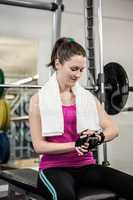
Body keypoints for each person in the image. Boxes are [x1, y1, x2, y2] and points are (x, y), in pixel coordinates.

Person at [29, 37, 133, 200]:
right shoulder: (38, 100)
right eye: (74, 68)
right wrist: (74, 145)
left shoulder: (87, 98)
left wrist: (98, 137)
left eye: (81, 70)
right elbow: (39, 146)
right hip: (54, 168)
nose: (78, 75)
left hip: (86, 166)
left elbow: (113, 129)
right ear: (58, 64)